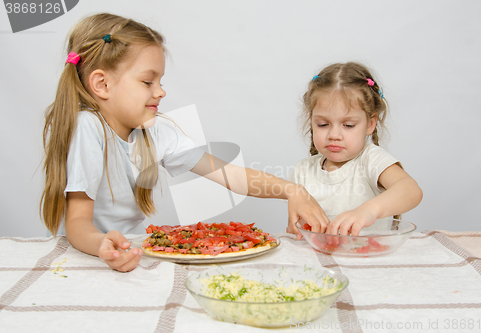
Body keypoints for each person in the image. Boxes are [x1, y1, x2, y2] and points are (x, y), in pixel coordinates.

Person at [41, 13, 329, 272]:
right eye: (147, 82)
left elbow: (232, 177)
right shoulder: (88, 127)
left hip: (130, 253)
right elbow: (77, 224)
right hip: (90, 257)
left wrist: (292, 190)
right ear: (102, 84)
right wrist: (102, 244)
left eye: (161, 81)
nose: (161, 92)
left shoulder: (156, 130)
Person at [287, 62, 422, 238]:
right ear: (312, 120)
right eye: (323, 124)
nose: (334, 135)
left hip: (366, 260)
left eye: (348, 125)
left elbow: (411, 190)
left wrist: (368, 211)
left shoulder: (371, 160)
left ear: (370, 124)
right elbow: (298, 229)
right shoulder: (303, 170)